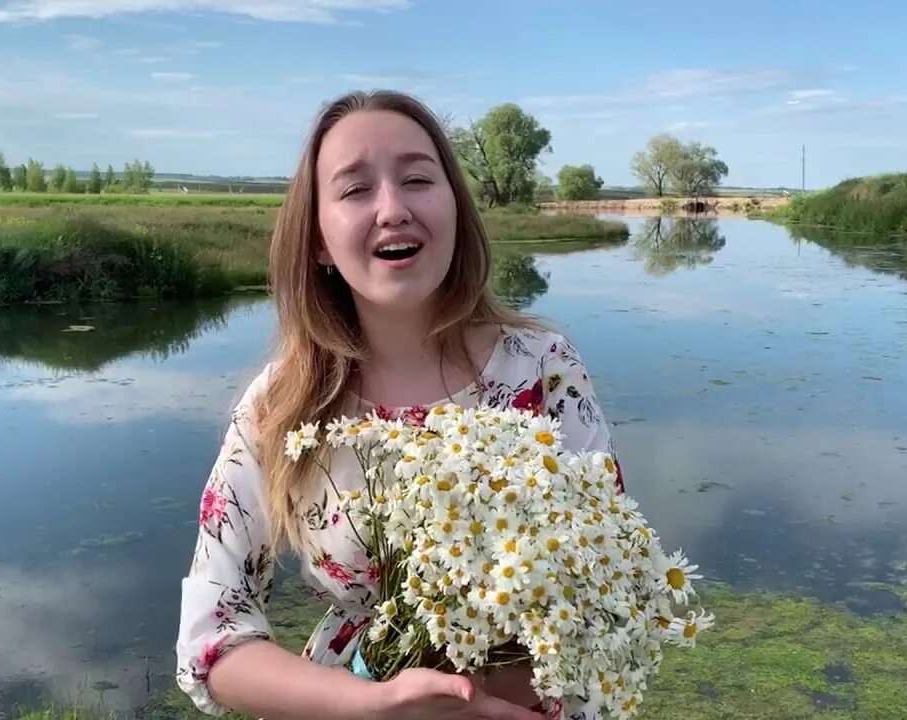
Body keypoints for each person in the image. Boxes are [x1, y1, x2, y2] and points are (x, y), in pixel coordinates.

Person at [175, 89, 624, 720]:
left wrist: (479, 706)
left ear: (456, 210)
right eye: (355, 189)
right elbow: (212, 641)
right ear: (319, 241)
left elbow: (607, 578)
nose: (393, 209)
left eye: (417, 178)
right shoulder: (280, 407)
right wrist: (371, 704)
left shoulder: (543, 369)